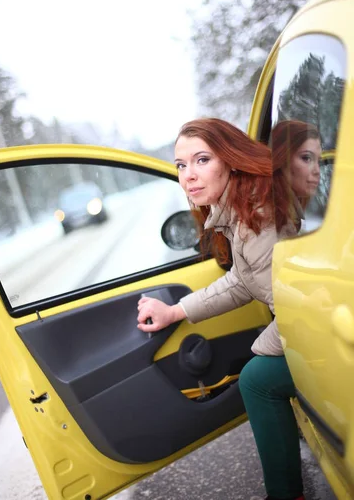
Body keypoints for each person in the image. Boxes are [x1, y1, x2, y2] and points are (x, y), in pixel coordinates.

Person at [137, 118, 320, 500]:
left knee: (257, 378)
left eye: (202, 160)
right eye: (181, 165)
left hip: (322, 323)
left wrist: (259, 350)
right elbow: (242, 280)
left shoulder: (259, 217)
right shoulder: (241, 209)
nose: (189, 175)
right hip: (313, 318)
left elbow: (292, 306)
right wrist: (176, 312)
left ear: (231, 160)